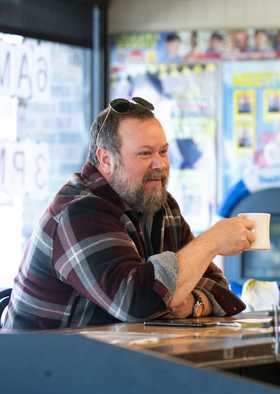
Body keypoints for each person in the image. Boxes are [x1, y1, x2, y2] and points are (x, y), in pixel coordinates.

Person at [2, 97, 255, 330]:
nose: (160, 164)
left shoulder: (160, 204)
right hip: (38, 369)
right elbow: (136, 302)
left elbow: (223, 292)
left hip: (105, 363)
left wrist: (191, 304)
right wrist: (210, 243)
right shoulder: (78, 213)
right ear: (106, 160)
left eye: (163, 151)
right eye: (145, 153)